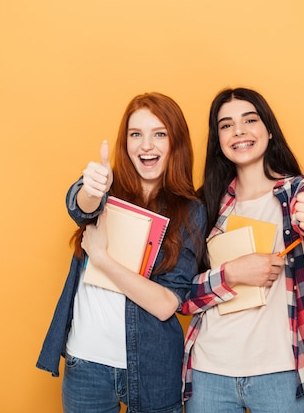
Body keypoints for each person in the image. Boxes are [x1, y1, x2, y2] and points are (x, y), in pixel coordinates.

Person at [36, 92, 207, 413]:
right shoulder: (104, 187)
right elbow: (80, 205)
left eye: (159, 134)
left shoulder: (191, 211)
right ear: (125, 143)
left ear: (176, 143)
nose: (146, 145)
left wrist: (102, 259)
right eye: (136, 134)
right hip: (85, 366)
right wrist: (91, 188)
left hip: (154, 369)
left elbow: (166, 304)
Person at [181, 87, 304, 413]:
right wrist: (233, 273)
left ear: (268, 129)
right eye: (226, 125)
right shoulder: (205, 205)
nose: (238, 130)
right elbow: (182, 295)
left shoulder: (296, 192)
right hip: (210, 372)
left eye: (249, 120)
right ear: (218, 140)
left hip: (280, 372)